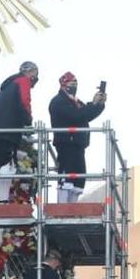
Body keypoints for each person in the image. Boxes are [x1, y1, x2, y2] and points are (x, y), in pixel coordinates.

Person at [0, 62, 38, 203]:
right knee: (7, 165)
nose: (36, 78)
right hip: (8, 129)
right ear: (29, 72)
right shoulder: (23, 81)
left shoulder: (8, 85)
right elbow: (25, 101)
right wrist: (28, 118)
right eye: (35, 74)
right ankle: (3, 200)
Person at [46, 74, 107, 202]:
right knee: (66, 177)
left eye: (75, 84)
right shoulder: (58, 101)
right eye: (71, 84)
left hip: (78, 144)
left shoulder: (75, 101)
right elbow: (77, 116)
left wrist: (98, 105)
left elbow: (86, 114)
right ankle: (61, 208)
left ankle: (72, 208)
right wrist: (93, 104)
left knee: (78, 180)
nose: (74, 86)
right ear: (63, 85)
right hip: (66, 143)